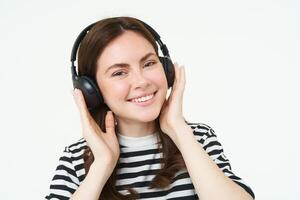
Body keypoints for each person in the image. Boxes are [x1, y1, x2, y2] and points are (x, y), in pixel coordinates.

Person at [45, 16, 255, 200]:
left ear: (166, 69)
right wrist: (102, 164)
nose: (141, 81)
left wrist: (179, 130)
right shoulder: (76, 157)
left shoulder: (198, 138)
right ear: (92, 90)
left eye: (149, 64)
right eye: (119, 73)